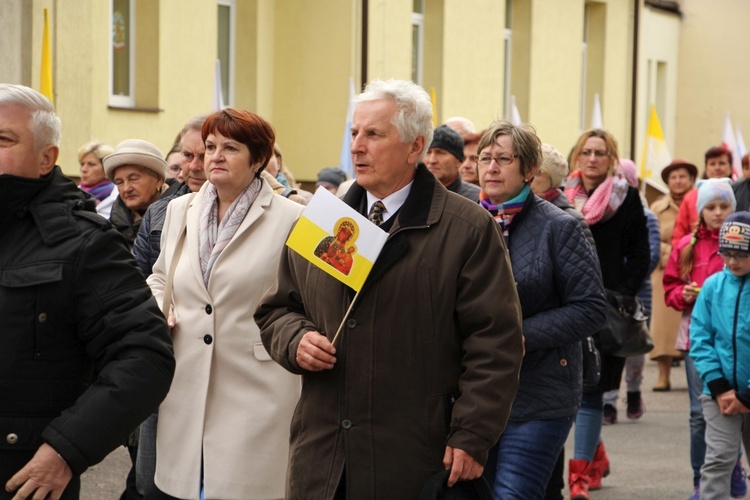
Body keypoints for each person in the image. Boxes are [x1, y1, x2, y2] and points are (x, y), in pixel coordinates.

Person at [255, 79, 524, 498]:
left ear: (415, 147)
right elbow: (276, 310)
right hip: (324, 458)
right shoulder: (321, 222)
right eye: (354, 133)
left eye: (374, 134)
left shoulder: (467, 229)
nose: (357, 147)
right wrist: (297, 340)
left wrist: (472, 434)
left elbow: (496, 343)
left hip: (414, 458)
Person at [0, 84, 174, 500]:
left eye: (3, 139)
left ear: (47, 158)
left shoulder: (82, 242)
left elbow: (144, 356)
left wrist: (65, 448)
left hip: (21, 477)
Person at [146, 108, 304, 499]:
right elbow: (161, 276)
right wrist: (158, 309)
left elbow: (315, 299)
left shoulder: (295, 218)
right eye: (211, 146)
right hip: (185, 379)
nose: (213, 156)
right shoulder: (181, 210)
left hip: (258, 387)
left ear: (259, 159)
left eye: (230, 148)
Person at [475, 121, 607, 499]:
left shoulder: (561, 226)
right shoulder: (465, 221)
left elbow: (590, 308)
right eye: (485, 158)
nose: (492, 167)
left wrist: (520, 337)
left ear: (530, 170)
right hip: (476, 395)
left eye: (504, 158)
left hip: (540, 392)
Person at [564, 129, 650, 499]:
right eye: (587, 152)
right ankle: (594, 454)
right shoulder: (560, 197)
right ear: (576, 157)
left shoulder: (627, 198)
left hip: (606, 310)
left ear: (612, 158)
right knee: (576, 392)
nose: (593, 158)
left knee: (591, 393)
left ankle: (579, 474)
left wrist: (621, 295)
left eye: (601, 152)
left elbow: (642, 256)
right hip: (566, 304)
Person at [663, 179, 743, 500]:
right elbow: (670, 287)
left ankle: (732, 462)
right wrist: (683, 293)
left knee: (734, 408)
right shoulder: (687, 245)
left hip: (736, 341)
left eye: (724, 206)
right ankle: (702, 478)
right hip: (699, 338)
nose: (718, 212)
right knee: (700, 413)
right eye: (711, 207)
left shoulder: (741, 242)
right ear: (700, 211)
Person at [690, 211, 750, 500]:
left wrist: (746, 395)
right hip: (719, 396)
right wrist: (719, 387)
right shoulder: (713, 287)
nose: (732, 261)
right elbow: (699, 337)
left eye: (741, 254)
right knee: (718, 461)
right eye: (726, 253)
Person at [600, 159, 661, 425]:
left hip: (637, 292)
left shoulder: (645, 215)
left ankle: (634, 391)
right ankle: (608, 402)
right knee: (609, 346)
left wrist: (626, 282)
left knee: (633, 349)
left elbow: (651, 254)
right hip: (609, 293)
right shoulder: (596, 210)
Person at [649, 159, 698, 392]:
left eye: (683, 177)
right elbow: (652, 237)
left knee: (692, 321)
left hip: (696, 265)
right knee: (662, 325)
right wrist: (671, 250)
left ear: (691, 180)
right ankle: (663, 375)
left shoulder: (701, 202)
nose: (678, 181)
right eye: (674, 177)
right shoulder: (657, 207)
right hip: (665, 266)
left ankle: (696, 374)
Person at [104, 139, 181, 248]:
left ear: (158, 180)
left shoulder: (182, 216)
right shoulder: (111, 227)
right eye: (119, 182)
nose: (126, 188)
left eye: (134, 179)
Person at [673, 145, 734, 247]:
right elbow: (679, 234)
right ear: (706, 168)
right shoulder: (691, 197)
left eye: (722, 163)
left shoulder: (741, 193)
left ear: (731, 167)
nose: (717, 167)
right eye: (712, 164)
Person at [424, 124, 481, 201]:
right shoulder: (410, 193)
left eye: (440, 153)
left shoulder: (476, 198)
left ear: (458, 161)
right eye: (428, 152)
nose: (432, 160)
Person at [77, 140, 117, 217]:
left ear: (106, 168)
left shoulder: (121, 197)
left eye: (91, 164)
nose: (84, 169)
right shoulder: (72, 195)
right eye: (82, 164)